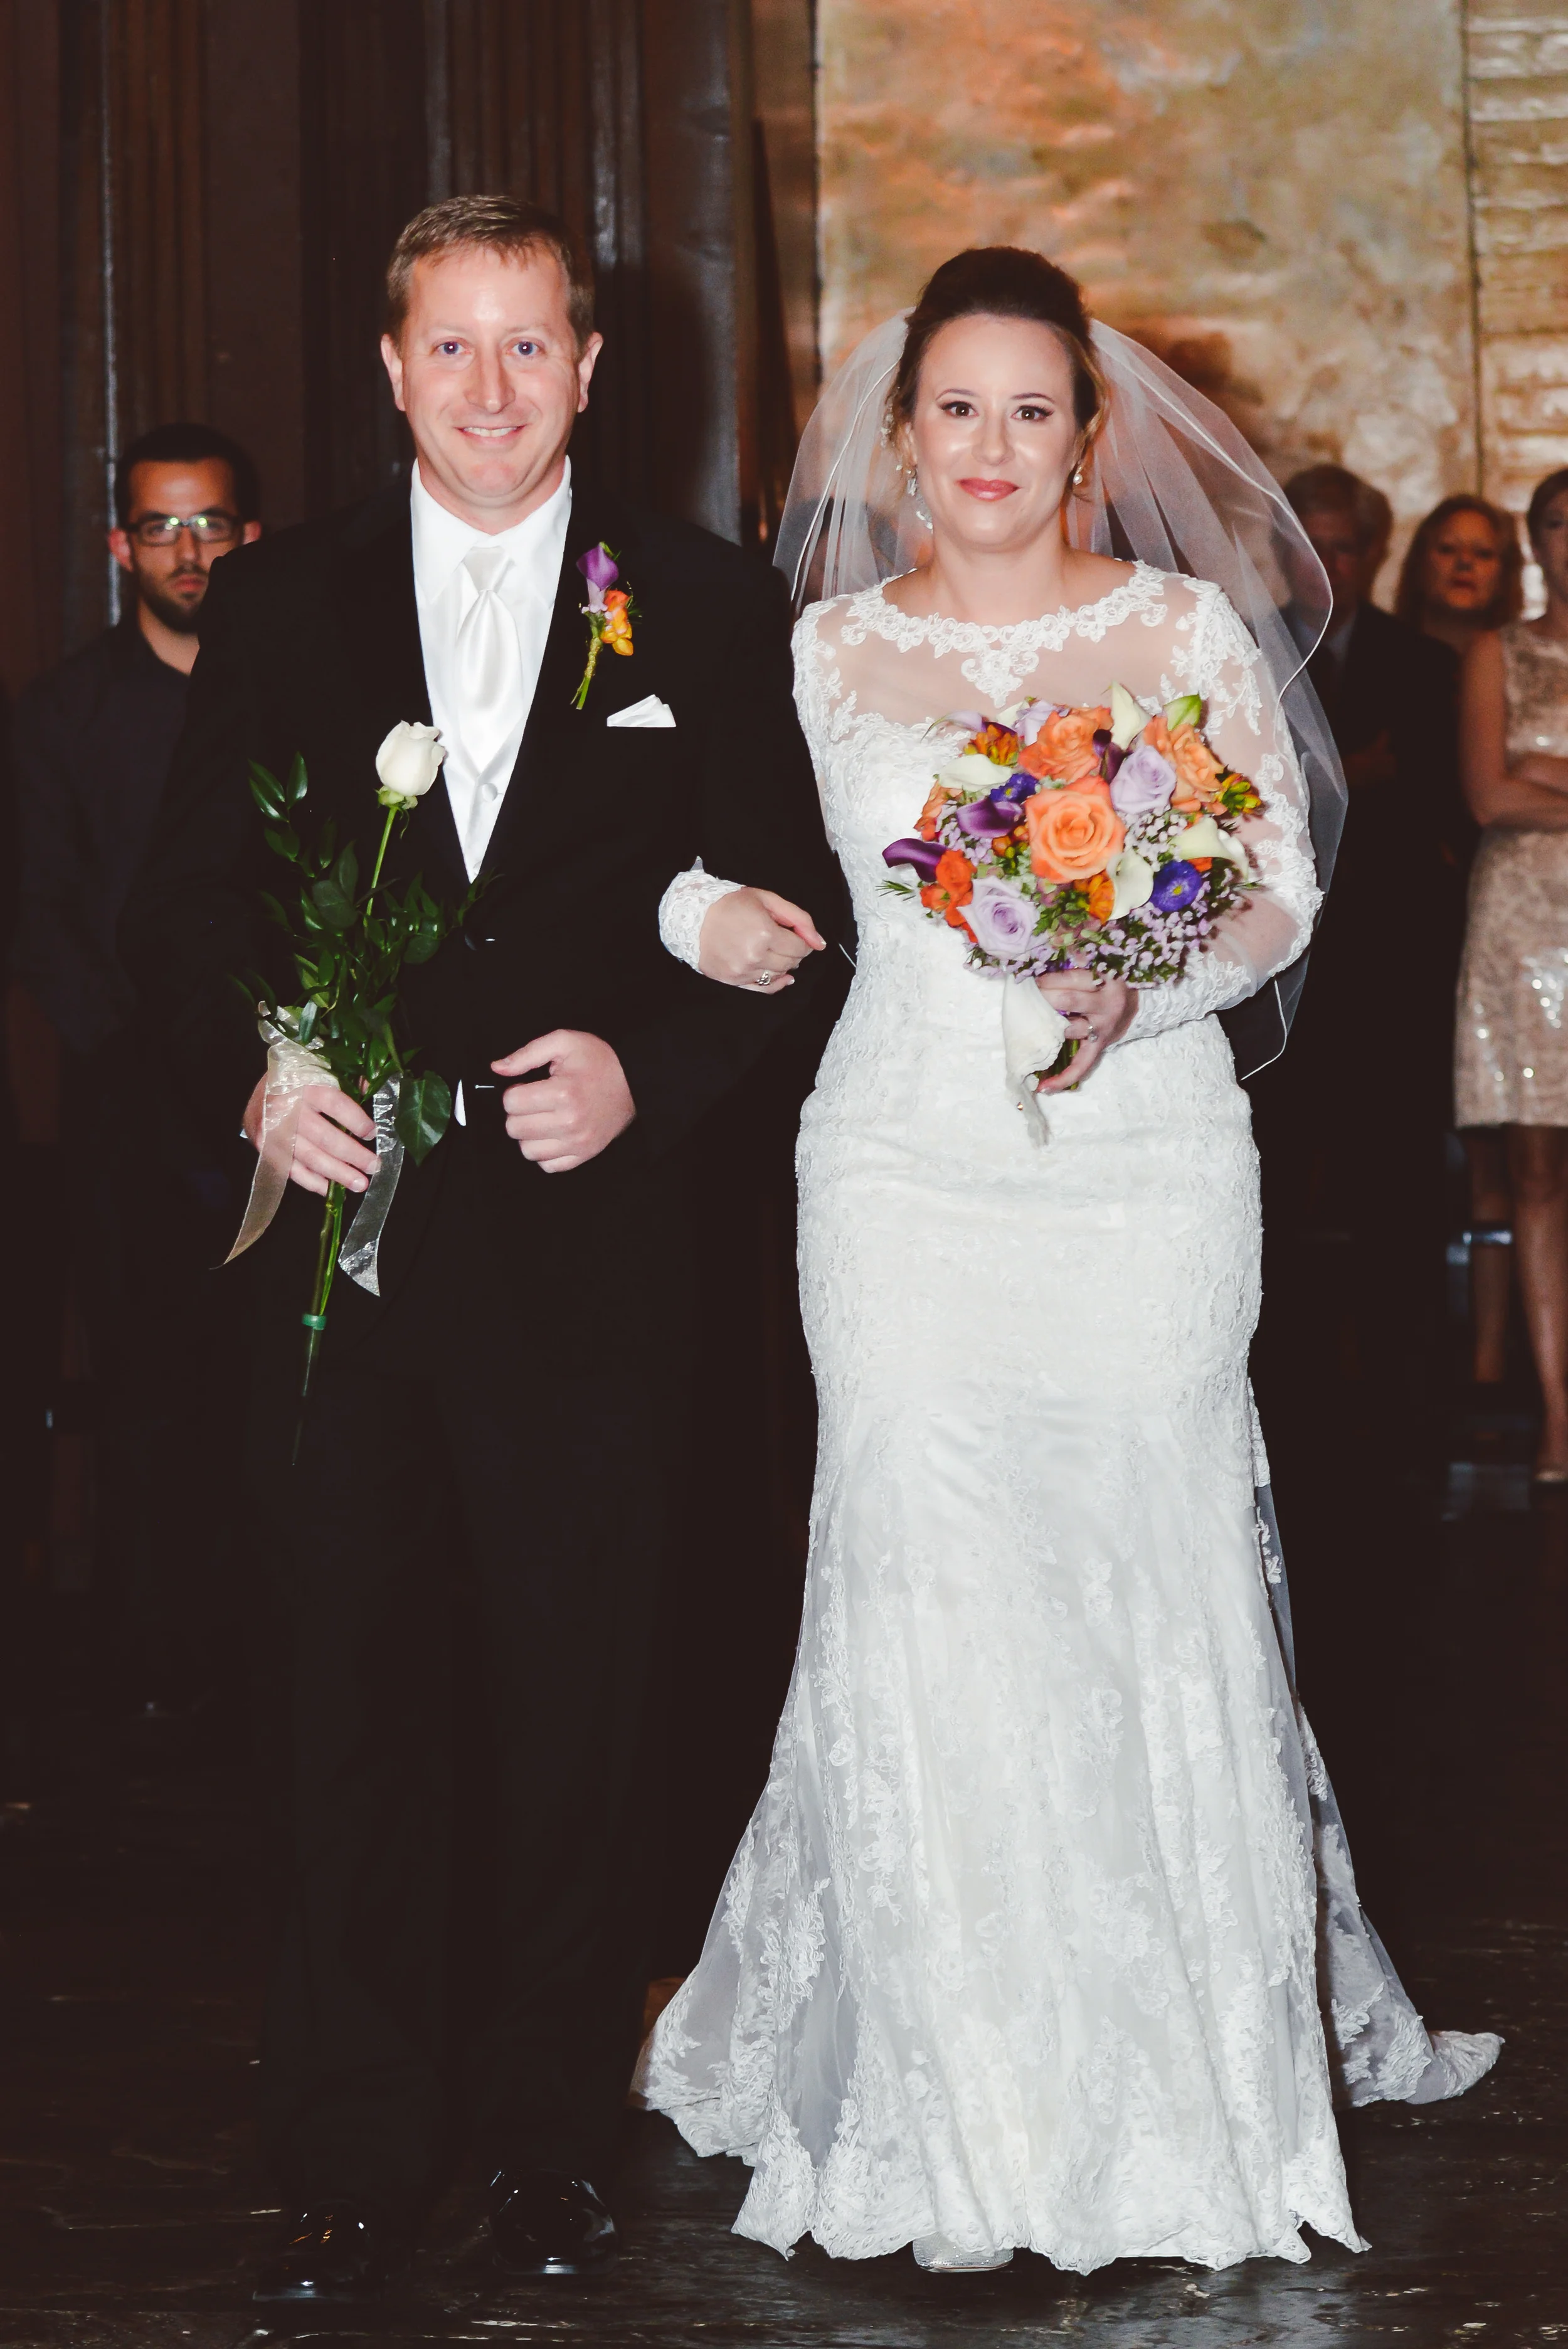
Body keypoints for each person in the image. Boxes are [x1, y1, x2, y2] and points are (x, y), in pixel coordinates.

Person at [637, 248, 1500, 2273]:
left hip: (1143, 1171)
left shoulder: (1176, 628)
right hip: (899, 1168)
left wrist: (1141, 978)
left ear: (1088, 437)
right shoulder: (820, 650)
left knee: (1142, 1571)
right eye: (957, 408)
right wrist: (695, 922)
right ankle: (954, 2099)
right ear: (900, 432)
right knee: (923, 1584)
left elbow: (1273, 892)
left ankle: (1176, 2092)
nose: (991, 446)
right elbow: (665, 852)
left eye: (1032, 411)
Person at [118, 196, 838, 2302]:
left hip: (593, 1250)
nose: (492, 388)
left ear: (591, 368)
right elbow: (182, 906)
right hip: (348, 1246)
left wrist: (648, 1071)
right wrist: (261, 1077)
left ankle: (544, 2141)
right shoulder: (286, 600)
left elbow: (782, 910)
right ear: (390, 368)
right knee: (345, 1697)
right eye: (452, 347)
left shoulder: (702, 603)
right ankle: (350, 2149)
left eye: (531, 346)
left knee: (578, 1699)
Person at [10, 423, 262, 1714]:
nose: (187, 550)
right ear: (121, 547)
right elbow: (39, 914)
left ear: (247, 538)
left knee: (277, 1394)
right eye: (161, 527)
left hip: (285, 1104)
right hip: (130, 1117)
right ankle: (160, 1682)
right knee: (152, 1396)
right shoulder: (63, 714)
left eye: (208, 523)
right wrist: (148, 1060)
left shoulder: (287, 692)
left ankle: (276, 1678)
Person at [1249, 464, 1463, 1456]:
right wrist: (1346, 773)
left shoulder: (1425, 663)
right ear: (1280, 551)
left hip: (1390, 965)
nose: (1324, 564)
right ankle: (1282, 1399)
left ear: (1373, 553)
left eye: (1343, 546)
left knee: (1397, 1190)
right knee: (1275, 1185)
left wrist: (1343, 780)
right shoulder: (1243, 649)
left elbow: (1439, 802)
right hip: (1273, 973)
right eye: (1308, 545)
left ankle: (1405, 1405)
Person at [1455, 467, 1568, 1479]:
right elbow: (1490, 795)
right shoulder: (1498, 652)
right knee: (1534, 1171)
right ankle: (1558, 1417)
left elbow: (1524, 780)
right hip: (1523, 926)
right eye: (1560, 525)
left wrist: (1547, 775)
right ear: (1535, 542)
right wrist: (1521, 779)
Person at [1397, 496, 1525, 1389]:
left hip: (1513, 915)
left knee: (1509, 1145)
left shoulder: (1520, 658)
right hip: (1414, 928)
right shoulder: (1391, 659)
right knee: (1423, 1136)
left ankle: (1500, 1354)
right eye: (1448, 549)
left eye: (1484, 552)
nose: (1465, 566)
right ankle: (1444, 1351)